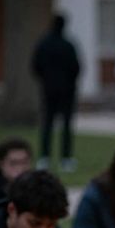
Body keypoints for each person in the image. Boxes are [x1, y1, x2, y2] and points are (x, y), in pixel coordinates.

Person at [31, 14, 81, 172]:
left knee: (47, 124)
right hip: (67, 91)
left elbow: (35, 66)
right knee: (66, 125)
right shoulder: (68, 45)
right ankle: (65, 158)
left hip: (48, 90)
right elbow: (76, 68)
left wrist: (46, 80)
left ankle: (45, 156)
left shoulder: (43, 44)